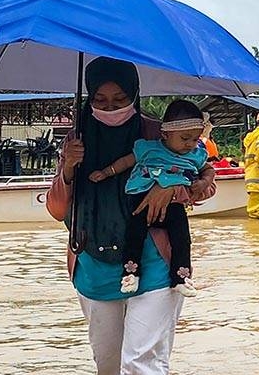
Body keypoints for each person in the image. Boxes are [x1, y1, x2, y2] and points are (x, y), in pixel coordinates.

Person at [45, 57, 216, 375]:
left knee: (142, 361)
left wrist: (173, 188)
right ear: (88, 98)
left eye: (120, 98)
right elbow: (57, 210)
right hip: (92, 262)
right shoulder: (76, 140)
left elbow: (205, 181)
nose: (110, 108)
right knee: (108, 365)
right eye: (101, 100)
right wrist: (68, 169)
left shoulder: (161, 134)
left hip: (155, 261)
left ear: (135, 96)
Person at [87, 99, 209, 296]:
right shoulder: (148, 148)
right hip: (140, 200)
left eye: (195, 139)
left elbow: (208, 171)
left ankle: (180, 277)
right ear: (165, 133)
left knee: (182, 239)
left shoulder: (196, 154)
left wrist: (202, 183)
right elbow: (126, 161)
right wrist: (106, 172)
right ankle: (131, 273)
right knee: (134, 236)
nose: (190, 144)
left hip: (174, 205)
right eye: (185, 138)